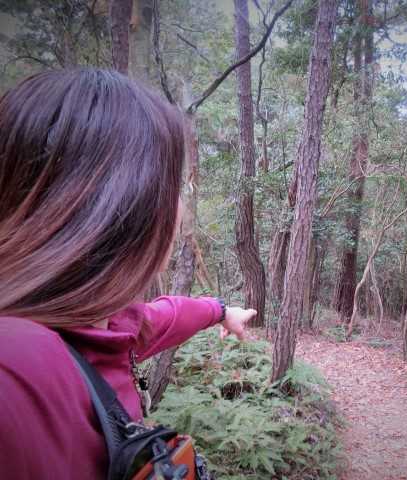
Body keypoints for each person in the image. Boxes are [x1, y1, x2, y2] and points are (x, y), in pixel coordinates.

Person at [0, 68, 257, 478]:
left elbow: (166, 316)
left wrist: (222, 311)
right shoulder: (17, 368)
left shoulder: (102, 324)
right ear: (131, 202)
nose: (179, 208)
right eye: (175, 187)